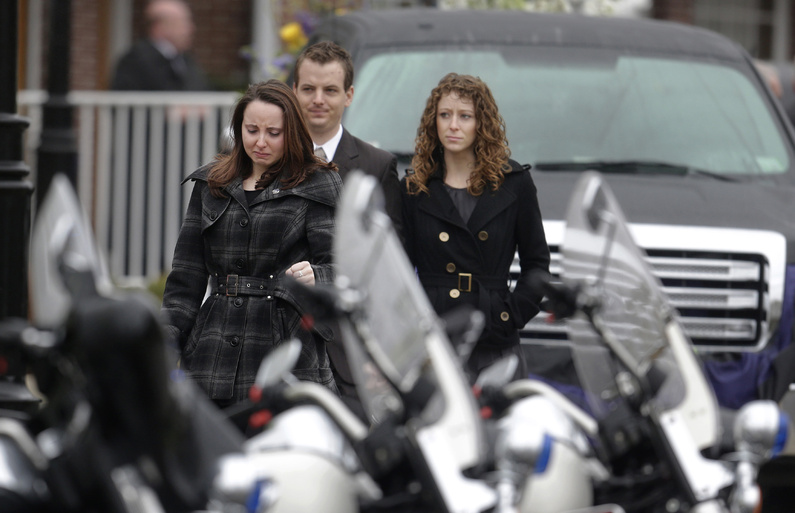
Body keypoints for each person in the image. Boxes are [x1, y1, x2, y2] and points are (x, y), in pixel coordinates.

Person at [160, 80, 341, 407]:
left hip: (287, 349)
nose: (260, 142)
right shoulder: (211, 182)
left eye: (274, 132)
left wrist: (319, 275)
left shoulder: (318, 183)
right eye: (251, 129)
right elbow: (185, 277)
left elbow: (342, 267)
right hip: (211, 351)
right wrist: (166, 342)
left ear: (293, 132)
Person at [401, 73, 550, 383]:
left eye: (464, 116)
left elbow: (537, 265)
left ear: (481, 123)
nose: (453, 125)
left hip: (493, 334)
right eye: (445, 115)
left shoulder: (514, 184)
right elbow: (398, 269)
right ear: (434, 121)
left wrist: (509, 315)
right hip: (434, 337)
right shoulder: (415, 188)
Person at [292, 40, 402, 420]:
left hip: (350, 351)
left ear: (349, 95)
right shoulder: (269, 158)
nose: (317, 99)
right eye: (308, 89)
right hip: (281, 342)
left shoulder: (377, 166)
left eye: (330, 90)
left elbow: (388, 263)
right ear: (294, 91)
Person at [110, 0, 211, 91]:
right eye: (183, 23)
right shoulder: (136, 60)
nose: (191, 29)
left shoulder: (185, 60)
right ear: (160, 26)